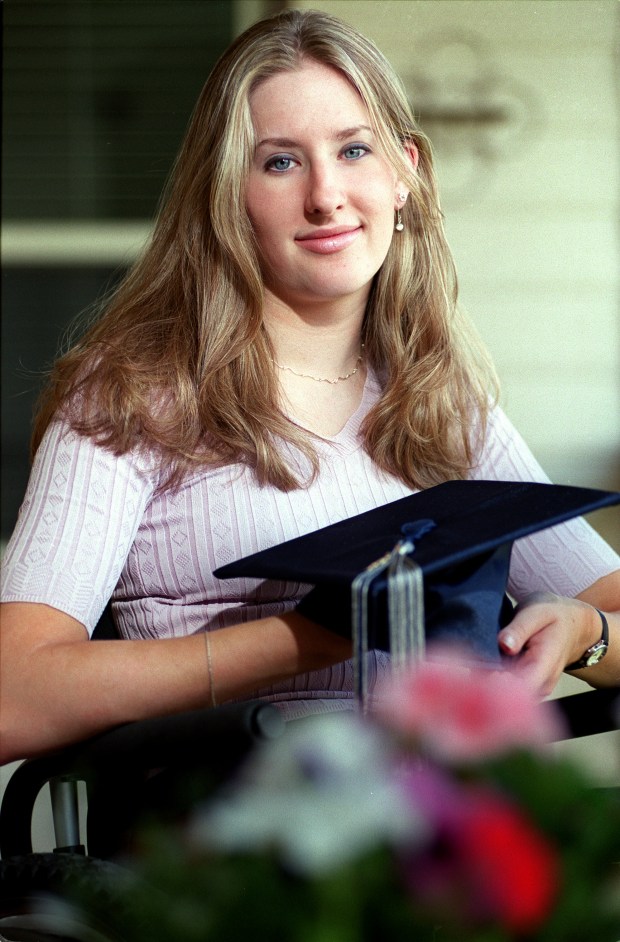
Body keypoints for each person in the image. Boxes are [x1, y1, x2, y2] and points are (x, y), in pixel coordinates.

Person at [1, 9, 618, 764]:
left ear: (405, 174)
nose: (326, 196)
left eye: (354, 149)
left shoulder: (438, 404)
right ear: (226, 194)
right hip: (236, 848)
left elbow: (607, 605)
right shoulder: (131, 398)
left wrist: (588, 634)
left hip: (436, 837)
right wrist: (311, 636)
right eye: (280, 162)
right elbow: (13, 698)